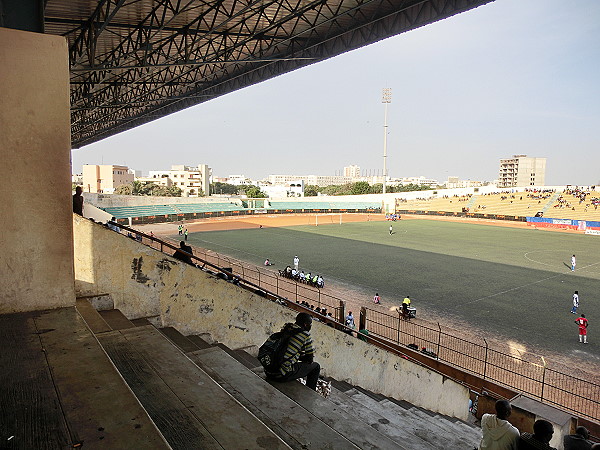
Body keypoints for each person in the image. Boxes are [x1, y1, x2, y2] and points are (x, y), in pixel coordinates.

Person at [269, 312, 320, 390]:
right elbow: (310, 359)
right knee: (316, 367)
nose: (310, 326)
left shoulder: (287, 327)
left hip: (269, 371)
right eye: (310, 324)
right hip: (281, 375)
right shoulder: (305, 335)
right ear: (306, 324)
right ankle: (310, 392)